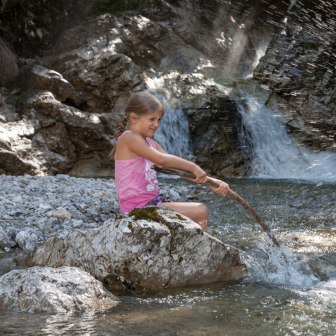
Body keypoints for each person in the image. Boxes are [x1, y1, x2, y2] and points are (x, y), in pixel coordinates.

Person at [110, 91, 230, 230]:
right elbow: (161, 159)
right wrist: (194, 166)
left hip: (151, 203)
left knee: (199, 213)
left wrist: (211, 182)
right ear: (133, 118)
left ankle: (187, 244)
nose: (156, 124)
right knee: (201, 210)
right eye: (152, 119)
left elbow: (174, 168)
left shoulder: (149, 143)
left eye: (159, 120)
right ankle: (189, 246)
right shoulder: (128, 138)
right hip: (136, 209)